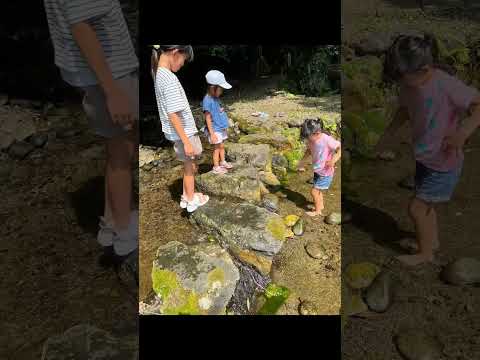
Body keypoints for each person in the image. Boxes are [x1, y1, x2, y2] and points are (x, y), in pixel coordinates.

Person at [43, 0, 139, 258]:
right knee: (123, 152)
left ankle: (111, 223)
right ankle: (125, 232)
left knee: (116, 148)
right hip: (109, 72)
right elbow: (81, 26)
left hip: (96, 71)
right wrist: (112, 91)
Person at [376, 34, 480, 266]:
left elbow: (478, 105)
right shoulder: (409, 85)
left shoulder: (446, 85)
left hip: (444, 160)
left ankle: (425, 254)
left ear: (423, 69)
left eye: (402, 76)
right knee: (426, 206)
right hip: (425, 157)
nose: (399, 81)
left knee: (417, 208)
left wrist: (462, 133)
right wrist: (388, 135)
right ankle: (430, 243)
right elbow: (404, 109)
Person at [151, 45, 209, 212]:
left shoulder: (158, 73)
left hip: (175, 133)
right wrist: (187, 142)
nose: (183, 64)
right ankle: (191, 200)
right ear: (175, 53)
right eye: (184, 60)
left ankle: (185, 196)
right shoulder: (168, 78)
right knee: (190, 167)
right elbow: (173, 113)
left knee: (187, 164)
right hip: (184, 132)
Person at [298, 118, 341, 217]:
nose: (307, 140)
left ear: (317, 133)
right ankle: (320, 206)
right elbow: (309, 151)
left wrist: (333, 160)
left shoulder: (326, 140)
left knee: (314, 191)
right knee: (318, 190)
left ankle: (317, 211)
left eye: (308, 137)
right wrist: (302, 162)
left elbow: (340, 148)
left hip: (326, 171)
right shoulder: (311, 140)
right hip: (318, 169)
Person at [202, 70, 234, 174]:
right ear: (213, 88)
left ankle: (223, 161)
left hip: (220, 127)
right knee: (216, 148)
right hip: (215, 129)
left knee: (222, 146)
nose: (221, 92)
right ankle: (216, 166)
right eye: (220, 89)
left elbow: (217, 111)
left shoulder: (216, 98)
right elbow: (208, 118)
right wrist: (212, 134)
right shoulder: (207, 100)